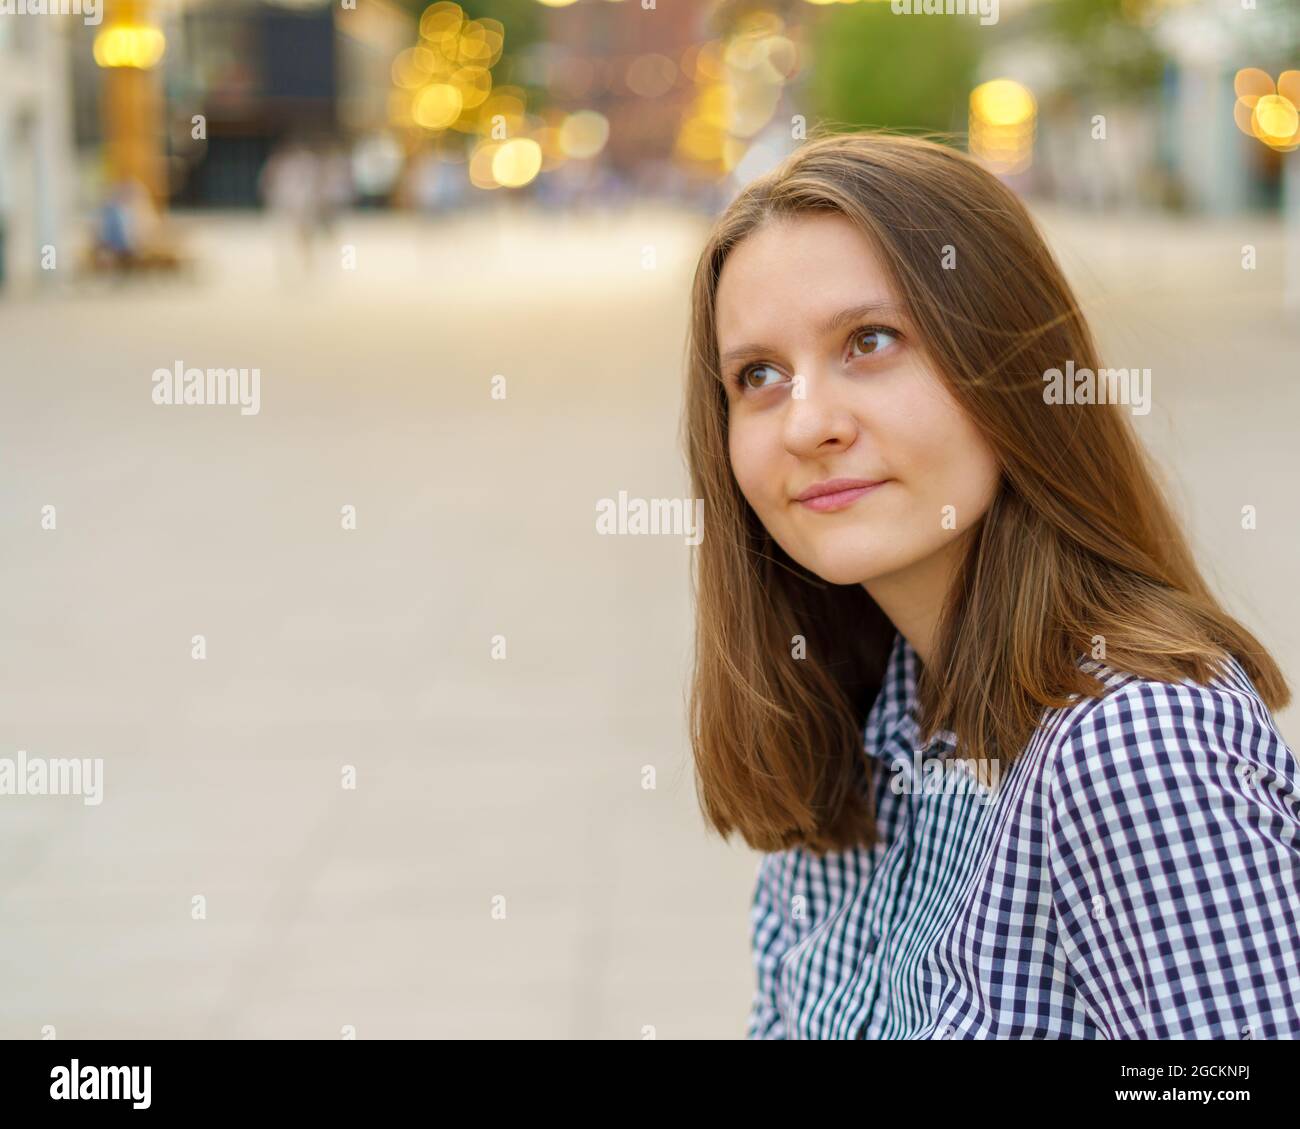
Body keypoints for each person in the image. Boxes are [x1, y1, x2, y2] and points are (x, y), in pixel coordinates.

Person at [683, 130, 1300, 1039]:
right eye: (759, 376)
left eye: (871, 340)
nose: (807, 422)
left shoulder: (1131, 748)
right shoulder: (868, 731)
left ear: (1014, 371)